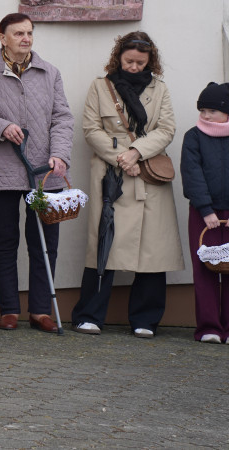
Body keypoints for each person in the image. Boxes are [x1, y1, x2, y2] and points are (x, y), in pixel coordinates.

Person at [0, 13, 74, 332]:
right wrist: (0, 126)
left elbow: (62, 118)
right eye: (18, 33)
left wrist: (59, 154)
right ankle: (8, 309)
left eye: (29, 33)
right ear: (2, 38)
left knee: (44, 242)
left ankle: (40, 311)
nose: (26, 38)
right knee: (3, 241)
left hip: (44, 172)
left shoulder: (50, 72)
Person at [71, 32, 182, 338]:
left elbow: (167, 129)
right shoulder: (100, 86)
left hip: (148, 174)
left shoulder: (160, 89)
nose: (133, 67)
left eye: (140, 62)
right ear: (118, 57)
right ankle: (89, 315)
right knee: (103, 243)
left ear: (150, 62)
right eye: (129, 61)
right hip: (112, 174)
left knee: (152, 249)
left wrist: (136, 152)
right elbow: (91, 129)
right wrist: (122, 158)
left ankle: (146, 319)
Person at [180, 82, 229, 344]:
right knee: (205, 269)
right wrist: (206, 210)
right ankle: (209, 327)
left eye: (212, 111)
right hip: (203, 214)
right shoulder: (193, 137)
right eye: (202, 110)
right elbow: (192, 174)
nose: (206, 116)